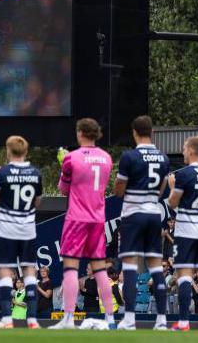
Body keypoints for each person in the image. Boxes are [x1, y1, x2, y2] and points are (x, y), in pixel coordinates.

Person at [49, 118, 115, 330]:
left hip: (77, 218)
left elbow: (63, 189)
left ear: (80, 133)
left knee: (70, 268)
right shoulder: (107, 158)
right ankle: (111, 321)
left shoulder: (71, 158)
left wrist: (63, 167)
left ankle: (68, 319)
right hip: (97, 219)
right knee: (100, 271)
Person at [113, 115, 170, 331]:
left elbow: (119, 188)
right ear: (152, 132)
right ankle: (162, 320)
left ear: (134, 132)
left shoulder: (130, 156)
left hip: (133, 214)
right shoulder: (163, 158)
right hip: (154, 214)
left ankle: (129, 319)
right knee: (156, 266)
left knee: (129, 266)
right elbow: (162, 187)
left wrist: (125, 191)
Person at [0, 135, 43, 329]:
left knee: (4, 270)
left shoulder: (2, 172)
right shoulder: (36, 173)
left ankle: (6, 319)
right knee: (29, 270)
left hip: (6, 227)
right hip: (27, 227)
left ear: (8, 151)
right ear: (26, 151)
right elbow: (37, 201)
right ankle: (33, 320)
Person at [166, 136, 198, 331]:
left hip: (187, 229)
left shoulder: (185, 174)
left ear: (190, 150)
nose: (182, 152)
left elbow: (172, 203)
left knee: (184, 275)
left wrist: (172, 187)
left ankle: (184, 322)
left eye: (183, 149)